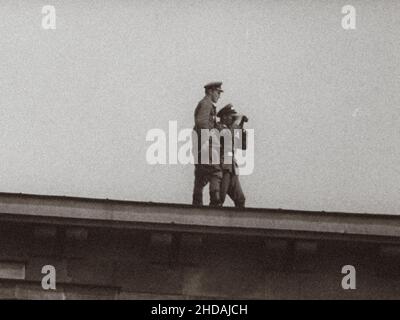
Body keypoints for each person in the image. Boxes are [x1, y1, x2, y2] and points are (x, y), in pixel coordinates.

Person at [192, 82, 224, 206]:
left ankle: (197, 201)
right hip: (207, 145)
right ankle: (215, 202)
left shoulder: (206, 104)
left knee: (201, 175)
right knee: (215, 172)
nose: (219, 95)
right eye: (218, 92)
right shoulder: (206, 104)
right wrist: (209, 141)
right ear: (210, 91)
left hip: (201, 146)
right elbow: (201, 123)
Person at [216, 104, 246, 208]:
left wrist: (241, 126)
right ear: (224, 116)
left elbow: (242, 145)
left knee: (240, 199)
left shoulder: (231, 129)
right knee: (219, 199)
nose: (232, 119)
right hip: (223, 168)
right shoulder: (218, 128)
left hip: (231, 169)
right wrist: (237, 123)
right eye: (230, 116)